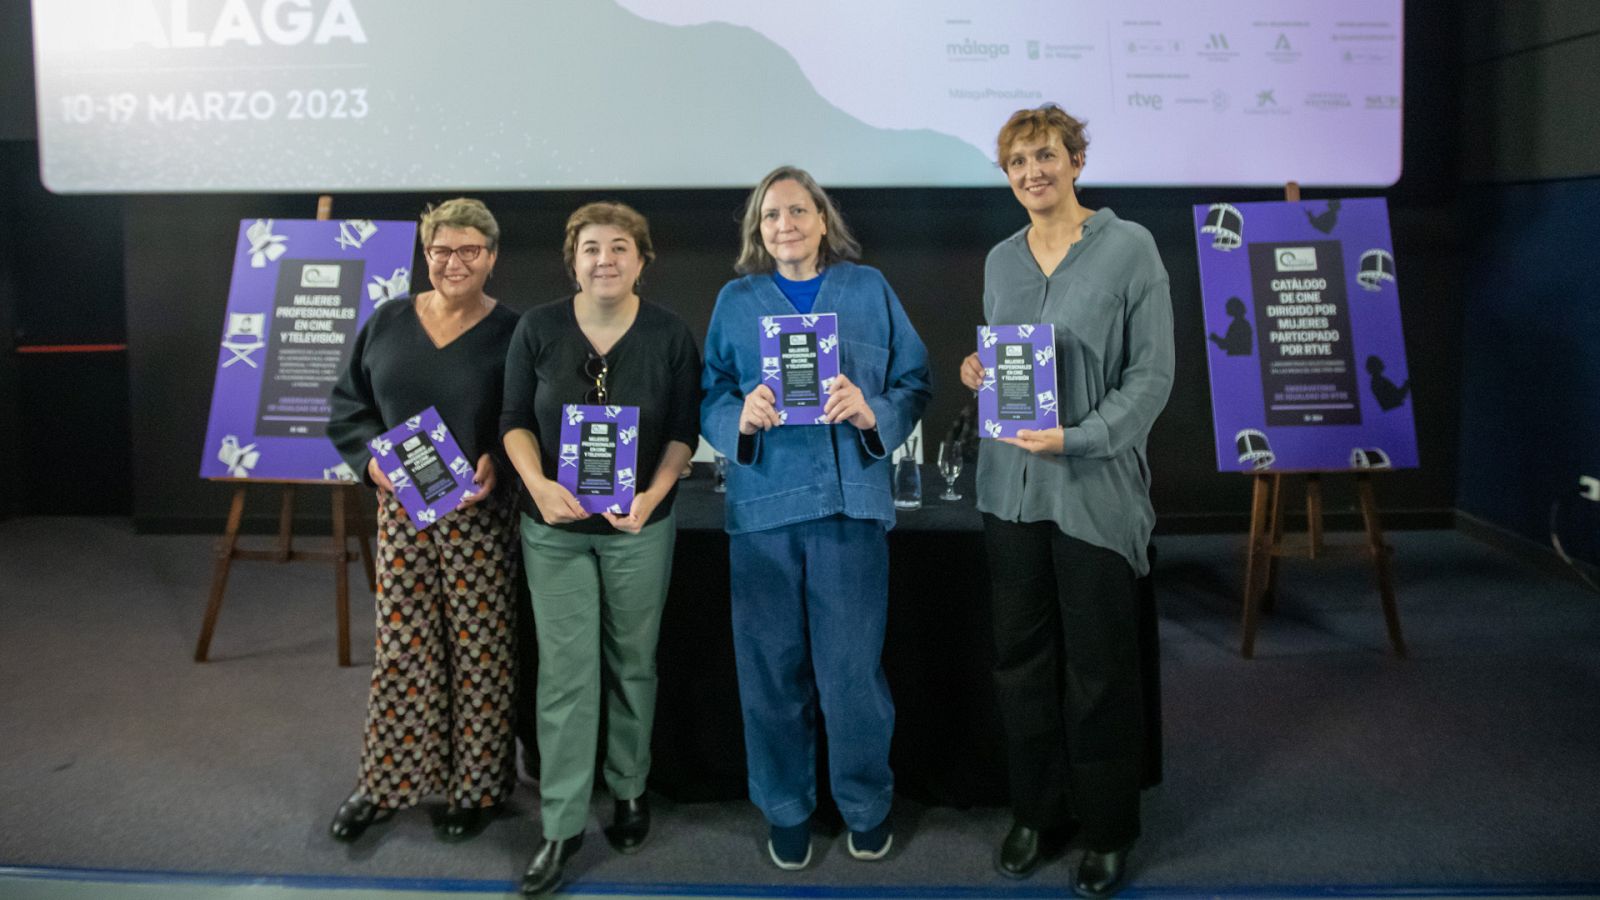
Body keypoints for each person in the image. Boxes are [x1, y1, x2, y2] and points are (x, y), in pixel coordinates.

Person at [958, 105, 1174, 899]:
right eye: (1016, 163)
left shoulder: (1130, 250)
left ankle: (1108, 827)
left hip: (1093, 495)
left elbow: (1151, 379)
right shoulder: (1002, 259)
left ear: (1076, 160)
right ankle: (1037, 812)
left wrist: (1078, 438)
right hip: (1008, 493)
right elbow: (1007, 360)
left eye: (1045, 156)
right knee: (1021, 666)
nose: (1031, 173)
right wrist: (978, 375)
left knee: (1100, 673)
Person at [702, 166, 931, 870]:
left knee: (850, 675)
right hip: (765, 509)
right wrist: (736, 415)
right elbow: (709, 391)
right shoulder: (736, 302)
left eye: (797, 211)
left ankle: (865, 804)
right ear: (758, 231)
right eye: (770, 216)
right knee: (770, 675)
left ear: (822, 221)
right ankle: (787, 808)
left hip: (848, 508)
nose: (784, 225)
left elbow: (913, 381)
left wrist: (875, 413)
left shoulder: (868, 290)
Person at [501, 201, 701, 896]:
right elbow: (514, 421)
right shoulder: (538, 328)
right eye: (590, 248)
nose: (604, 259)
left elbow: (683, 429)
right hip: (553, 529)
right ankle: (560, 824)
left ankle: (630, 789)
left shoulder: (671, 334)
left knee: (632, 663)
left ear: (642, 260)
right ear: (572, 260)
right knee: (564, 675)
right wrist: (538, 484)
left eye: (619, 247)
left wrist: (654, 496)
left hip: (639, 527)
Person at [325, 198, 522, 844]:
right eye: (440, 250)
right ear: (425, 254)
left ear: (491, 257)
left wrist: (498, 460)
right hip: (402, 514)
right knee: (401, 650)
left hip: (479, 519)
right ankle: (386, 783)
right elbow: (349, 409)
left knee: (479, 654)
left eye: (468, 250)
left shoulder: (514, 332)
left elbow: (530, 417)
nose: (453, 262)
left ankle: (477, 788)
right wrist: (370, 465)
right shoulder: (386, 322)